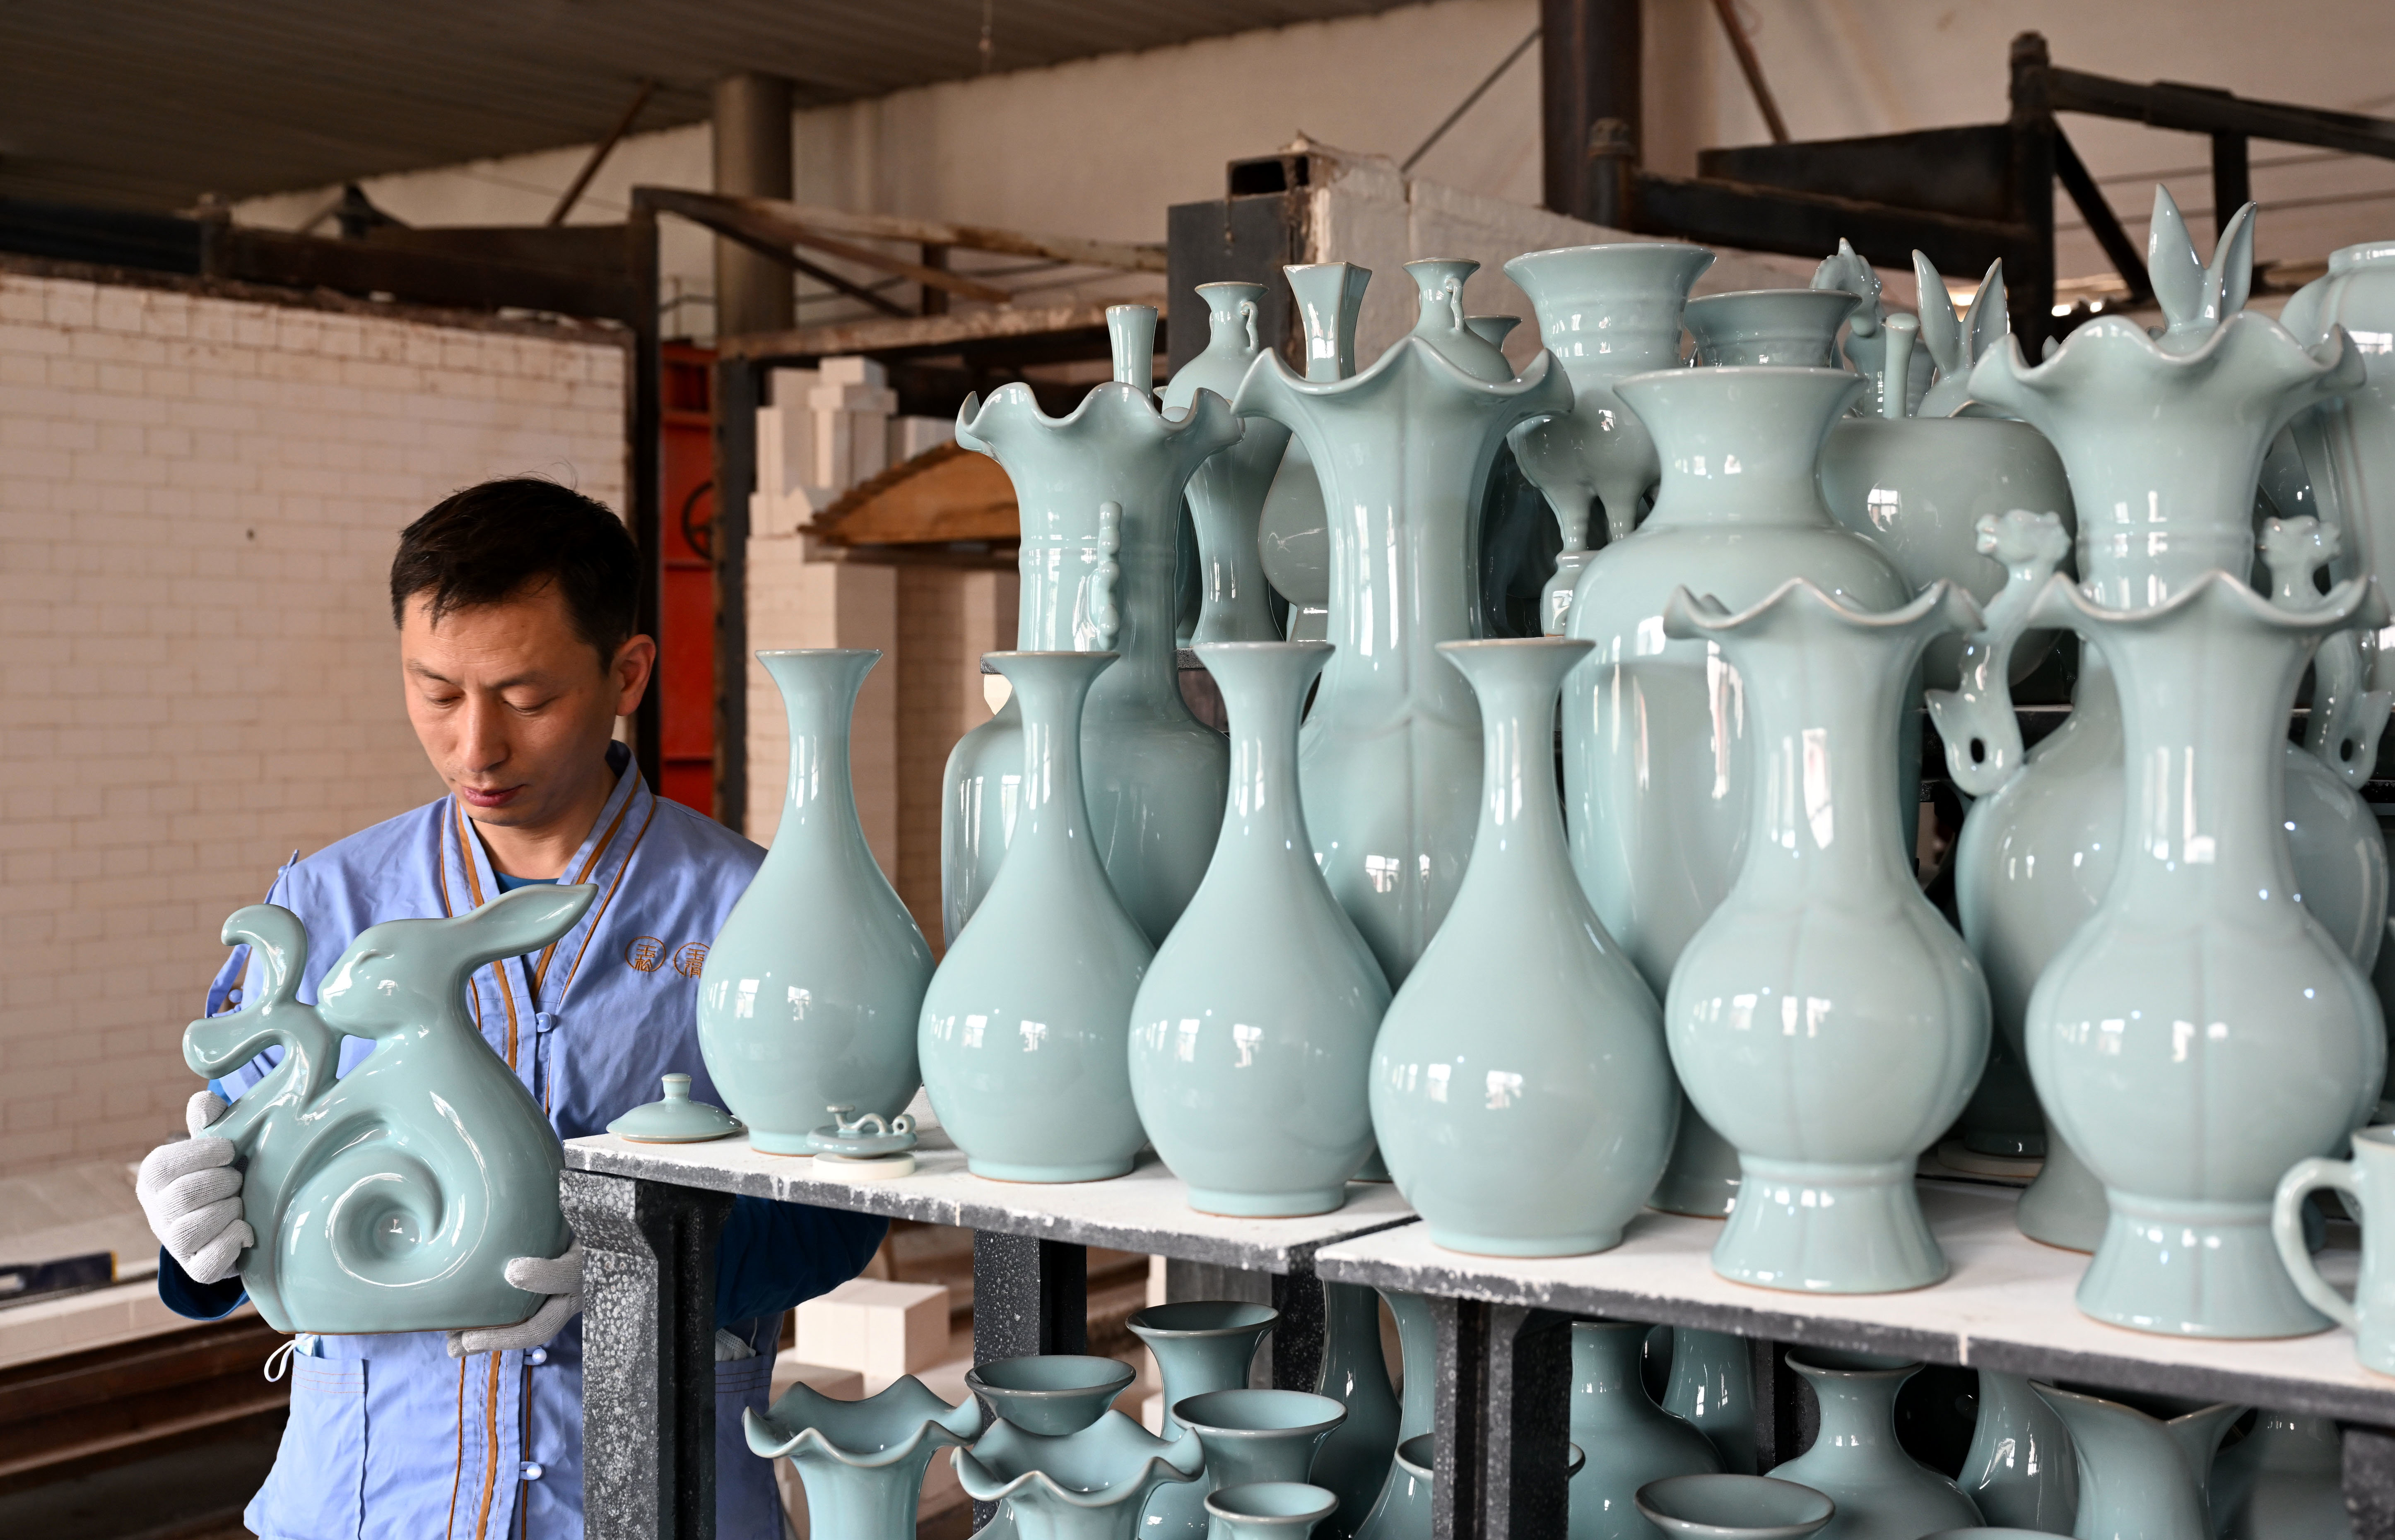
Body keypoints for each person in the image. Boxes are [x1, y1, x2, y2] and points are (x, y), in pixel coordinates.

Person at [132, 478, 887, 1540]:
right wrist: (194, 1231)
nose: (475, 748)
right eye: (437, 693)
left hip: (650, 1501)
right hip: (368, 1504)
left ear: (627, 674)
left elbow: (839, 1213)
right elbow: (245, 1167)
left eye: (526, 699)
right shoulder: (325, 906)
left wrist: (645, 1266)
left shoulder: (759, 915)